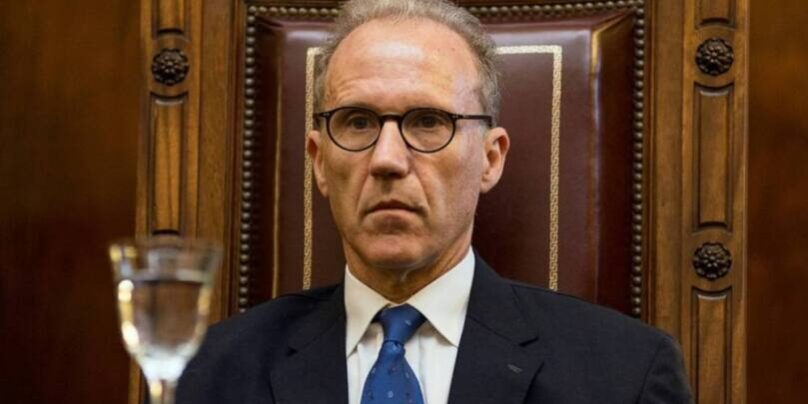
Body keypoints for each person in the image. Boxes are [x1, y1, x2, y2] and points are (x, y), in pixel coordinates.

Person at [176, 0, 692, 403]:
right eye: (358, 122)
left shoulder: (624, 374)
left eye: (428, 122)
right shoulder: (211, 371)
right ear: (319, 161)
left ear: (490, 159)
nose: (387, 159)